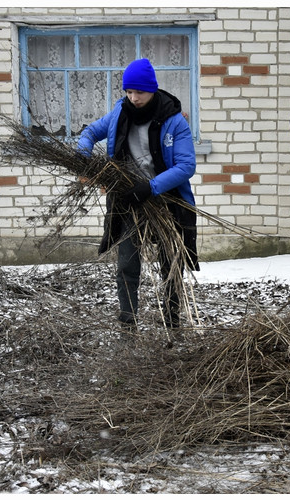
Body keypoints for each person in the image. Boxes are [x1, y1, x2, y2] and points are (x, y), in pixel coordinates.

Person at [77, 58, 199, 329]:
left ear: (152, 90)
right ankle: (128, 320)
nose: (133, 98)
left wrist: (150, 187)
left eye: (139, 92)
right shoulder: (119, 113)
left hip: (167, 201)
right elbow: (88, 133)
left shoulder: (174, 121)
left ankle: (172, 319)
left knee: (171, 263)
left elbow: (186, 166)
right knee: (127, 263)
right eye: (129, 92)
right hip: (130, 200)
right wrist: (83, 158)